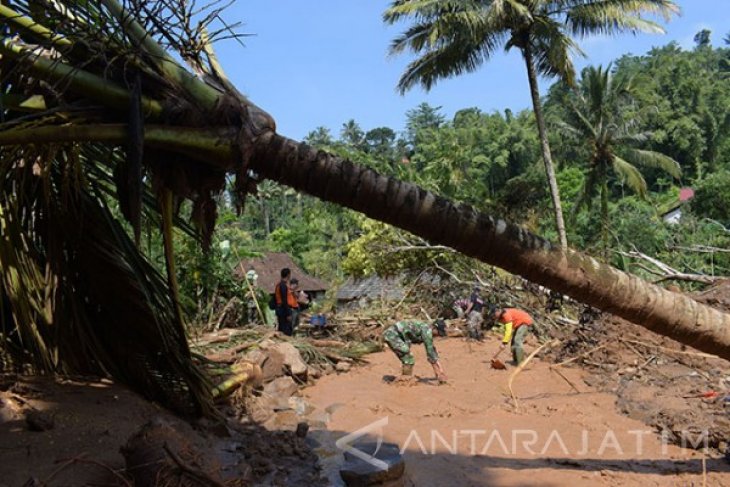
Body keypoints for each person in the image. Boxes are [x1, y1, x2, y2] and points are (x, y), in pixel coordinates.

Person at [382, 320, 448, 381]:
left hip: (392, 335)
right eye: (438, 332)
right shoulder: (427, 330)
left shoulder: (425, 327)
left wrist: (440, 369)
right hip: (392, 335)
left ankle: (405, 378)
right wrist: (438, 373)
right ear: (434, 328)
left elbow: (433, 351)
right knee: (409, 358)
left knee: (407, 357)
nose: (438, 335)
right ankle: (405, 380)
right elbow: (430, 352)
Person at [274, 268, 297, 336]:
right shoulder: (283, 286)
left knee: (282, 328)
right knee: (286, 330)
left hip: (280, 308)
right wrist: (288, 313)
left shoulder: (278, 285)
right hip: (283, 309)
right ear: (288, 275)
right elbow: (284, 300)